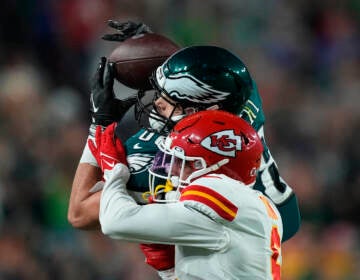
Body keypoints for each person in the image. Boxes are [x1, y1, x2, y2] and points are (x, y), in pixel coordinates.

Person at [68, 20, 299, 278]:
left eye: (168, 100)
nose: (156, 103)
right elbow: (212, 69)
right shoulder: (240, 95)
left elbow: (79, 213)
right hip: (271, 218)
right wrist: (171, 58)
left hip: (231, 230)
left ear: (198, 111)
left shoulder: (166, 163)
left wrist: (99, 125)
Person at [90, 109, 283, 279]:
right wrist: (170, 271)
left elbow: (114, 222)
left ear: (212, 166)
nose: (172, 170)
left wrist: (114, 172)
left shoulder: (220, 191)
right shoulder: (258, 204)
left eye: (183, 161)